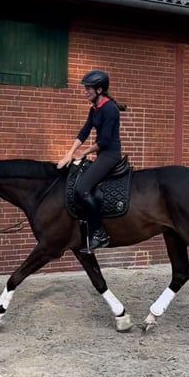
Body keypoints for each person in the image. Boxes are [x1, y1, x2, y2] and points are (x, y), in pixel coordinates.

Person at [57, 69, 128, 253]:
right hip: (101, 154)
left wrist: (83, 153)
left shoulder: (110, 109)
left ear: (99, 90)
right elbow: (84, 131)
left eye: (88, 88)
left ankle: (98, 234)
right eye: (85, 88)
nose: (85, 91)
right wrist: (69, 153)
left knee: (82, 188)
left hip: (110, 155)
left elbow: (104, 141)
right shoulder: (94, 109)